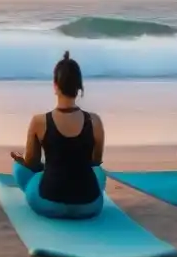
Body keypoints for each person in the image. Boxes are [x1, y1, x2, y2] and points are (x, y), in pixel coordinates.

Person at [10, 51, 106, 219]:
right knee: (99, 173)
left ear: (55, 86)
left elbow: (31, 164)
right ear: (79, 87)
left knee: (19, 168)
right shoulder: (95, 121)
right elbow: (95, 162)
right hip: (89, 205)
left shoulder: (39, 121)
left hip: (49, 203)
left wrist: (23, 161)